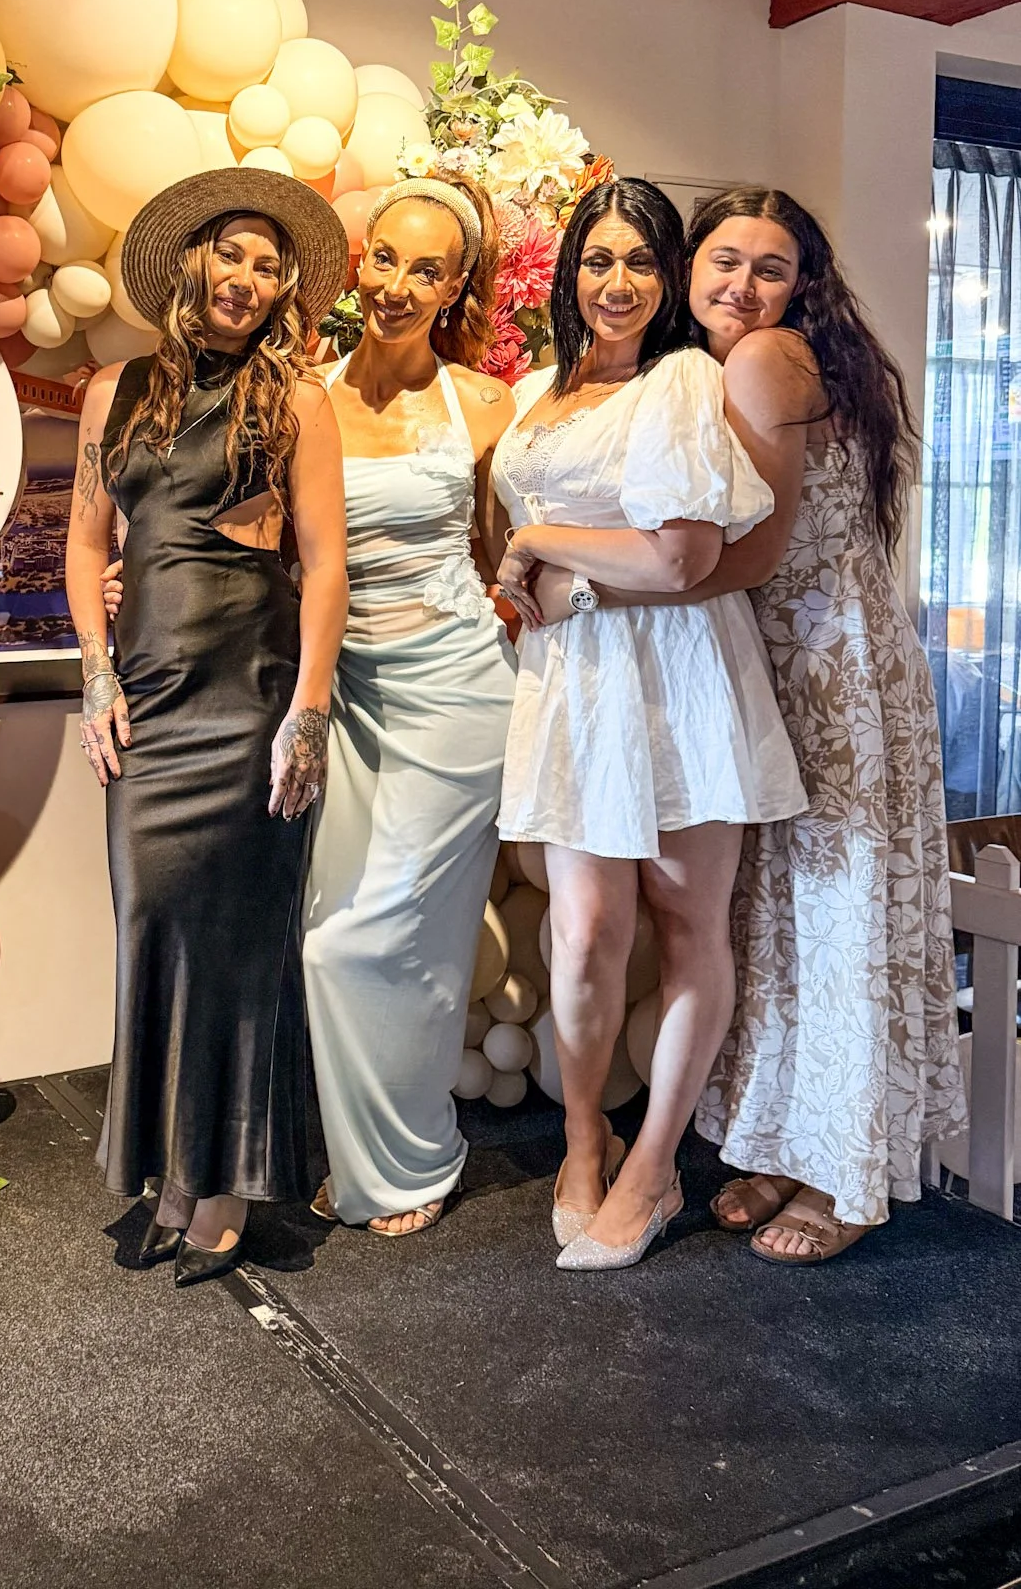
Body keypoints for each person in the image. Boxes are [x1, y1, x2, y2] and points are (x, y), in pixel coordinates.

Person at [536, 189, 963, 1260]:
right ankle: (785, 1139)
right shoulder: (706, 368)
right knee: (772, 921)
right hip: (760, 659)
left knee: (836, 916)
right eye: (724, 260)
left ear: (800, 286)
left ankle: (852, 1176)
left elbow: (756, 555)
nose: (742, 285)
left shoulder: (764, 360)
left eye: (770, 268)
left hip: (829, 672)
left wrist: (575, 580)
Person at [491, 176, 805, 1272]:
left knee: (685, 925)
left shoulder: (680, 380)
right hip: (573, 681)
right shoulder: (539, 386)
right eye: (597, 259)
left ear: (668, 280)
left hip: (679, 682)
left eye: (640, 261)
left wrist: (540, 536)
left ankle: (655, 1163)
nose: (616, 281)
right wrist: (525, 569)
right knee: (580, 933)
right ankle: (585, 1139)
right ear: (569, 273)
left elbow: (684, 556)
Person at [64, 166, 348, 1288]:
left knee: (237, 945)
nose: (247, 276)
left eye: (268, 264)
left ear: (284, 290)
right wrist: (96, 676)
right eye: (231, 253)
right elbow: (89, 547)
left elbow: (326, 564)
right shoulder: (114, 393)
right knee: (152, 924)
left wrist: (308, 713)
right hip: (147, 696)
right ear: (191, 263)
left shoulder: (297, 401)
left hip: (251, 695)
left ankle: (224, 1179)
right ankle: (171, 1162)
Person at [300, 179, 517, 1236]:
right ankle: (369, 1147)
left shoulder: (482, 402)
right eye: (383, 258)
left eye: (423, 269)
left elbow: (496, 552)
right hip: (348, 701)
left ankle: (414, 1155)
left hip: (461, 699)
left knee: (378, 942)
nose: (394, 286)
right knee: (349, 928)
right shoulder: (304, 394)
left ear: (455, 284)